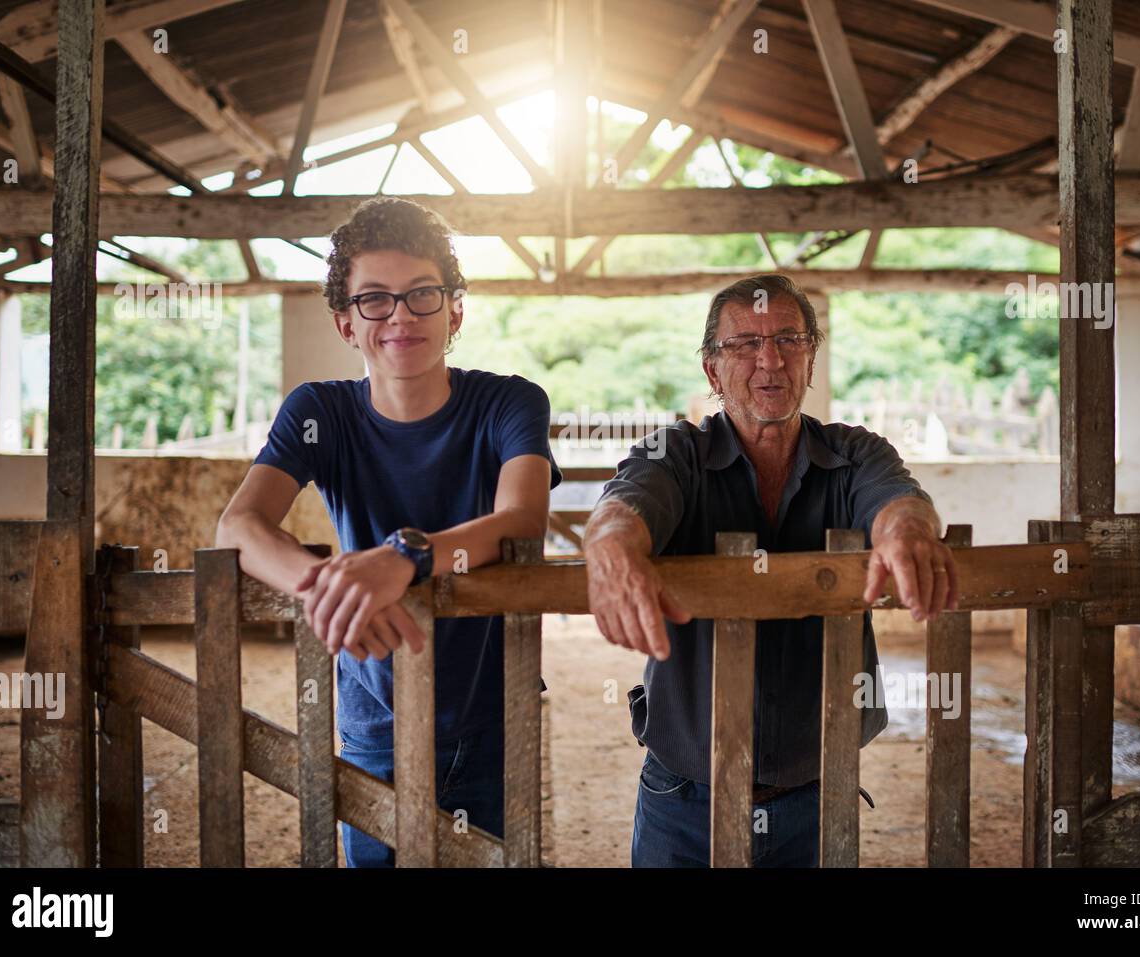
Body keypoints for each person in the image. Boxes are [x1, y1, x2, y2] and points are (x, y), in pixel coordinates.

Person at [216, 197, 560, 866]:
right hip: (374, 711)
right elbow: (240, 525)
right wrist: (329, 585)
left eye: (421, 295)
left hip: (494, 711)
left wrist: (405, 556)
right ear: (346, 322)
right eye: (374, 299)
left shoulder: (510, 403)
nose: (400, 315)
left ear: (454, 310)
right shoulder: (320, 411)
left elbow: (522, 517)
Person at [582, 273, 956, 867]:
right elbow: (626, 503)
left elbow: (899, 501)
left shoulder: (855, 453)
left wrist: (906, 532)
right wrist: (610, 546)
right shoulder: (676, 453)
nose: (770, 359)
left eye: (789, 339)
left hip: (818, 791)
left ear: (811, 359)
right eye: (744, 344)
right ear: (712, 370)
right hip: (684, 793)